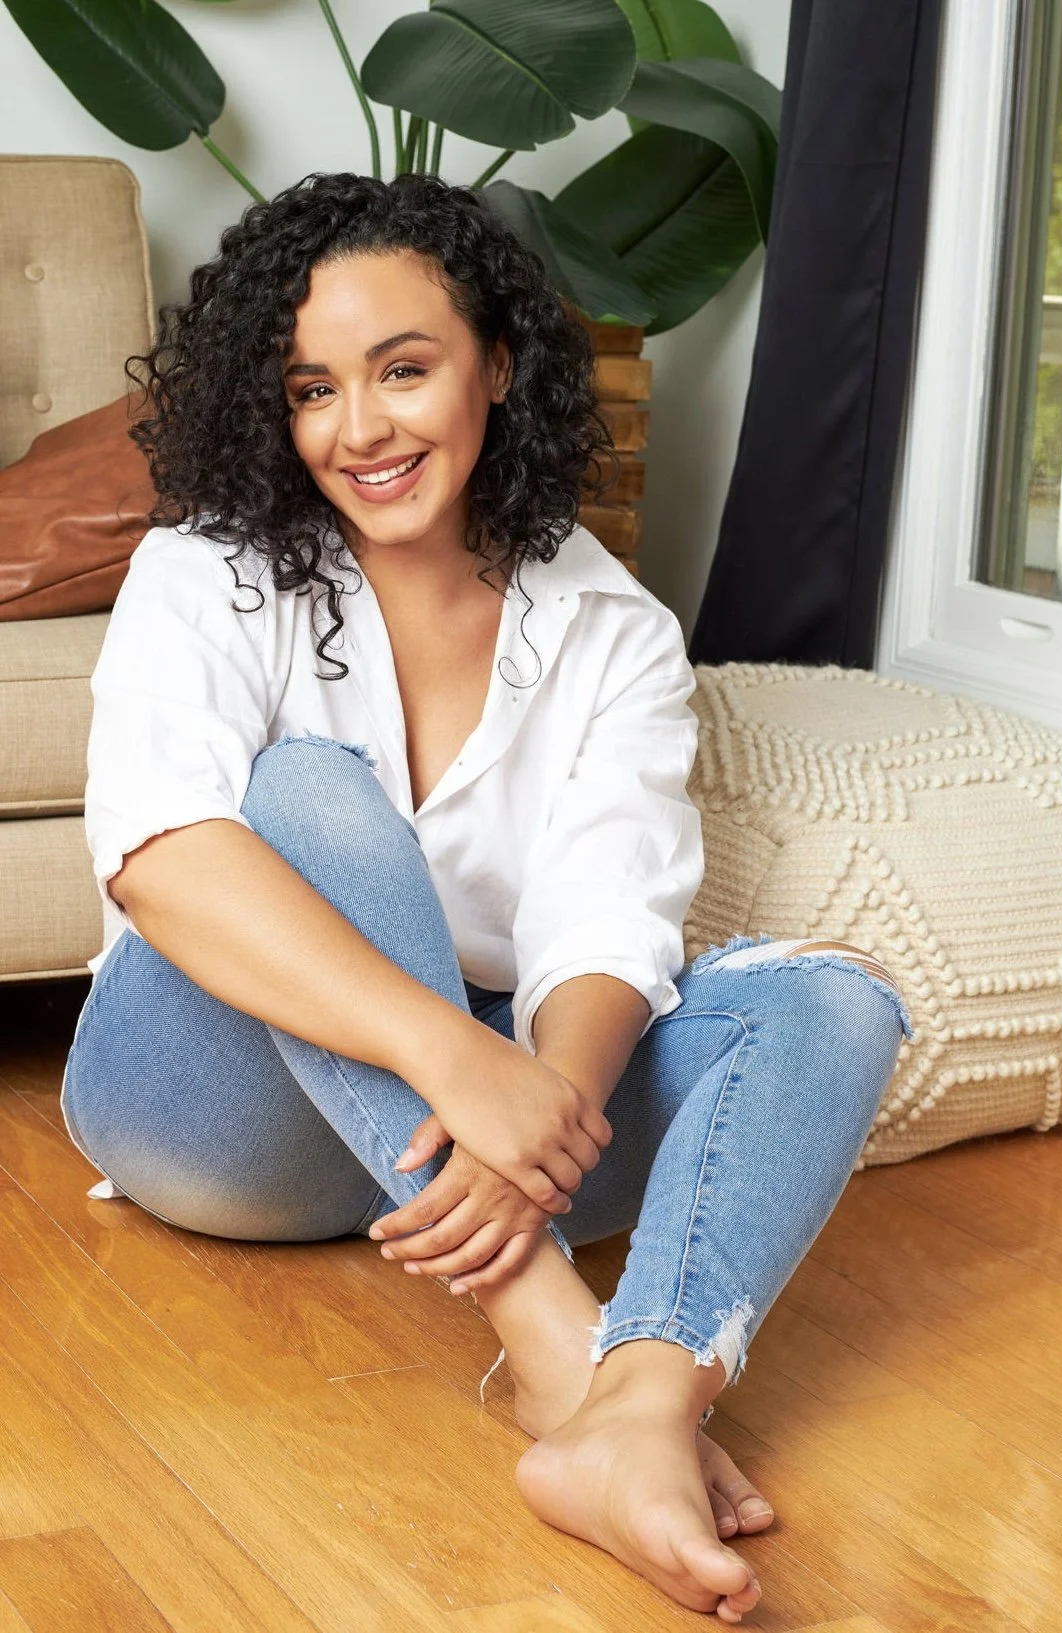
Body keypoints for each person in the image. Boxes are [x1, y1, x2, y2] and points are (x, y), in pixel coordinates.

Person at [60, 172, 910, 1624]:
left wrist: (542, 1102)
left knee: (837, 999)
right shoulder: (205, 571)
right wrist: (465, 1063)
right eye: (312, 388)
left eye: (405, 369)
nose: (360, 429)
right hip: (210, 1108)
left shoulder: (612, 631)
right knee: (308, 798)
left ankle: (638, 1408)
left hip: (486, 1135)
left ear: (498, 364)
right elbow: (159, 850)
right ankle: (556, 1347)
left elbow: (608, 915)